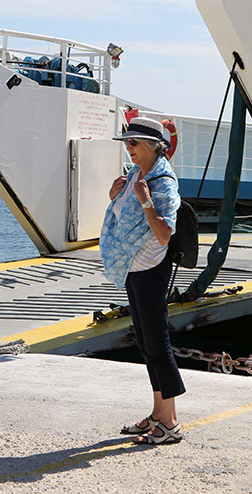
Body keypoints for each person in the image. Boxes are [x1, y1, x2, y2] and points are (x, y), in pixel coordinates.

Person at [99, 116, 185, 445]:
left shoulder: (162, 181)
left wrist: (145, 198)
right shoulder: (136, 174)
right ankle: (158, 413)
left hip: (151, 267)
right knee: (146, 343)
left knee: (158, 343)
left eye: (133, 143)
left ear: (153, 146)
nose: (129, 148)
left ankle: (171, 422)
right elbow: (123, 212)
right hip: (132, 266)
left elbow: (164, 234)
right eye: (126, 143)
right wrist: (115, 193)